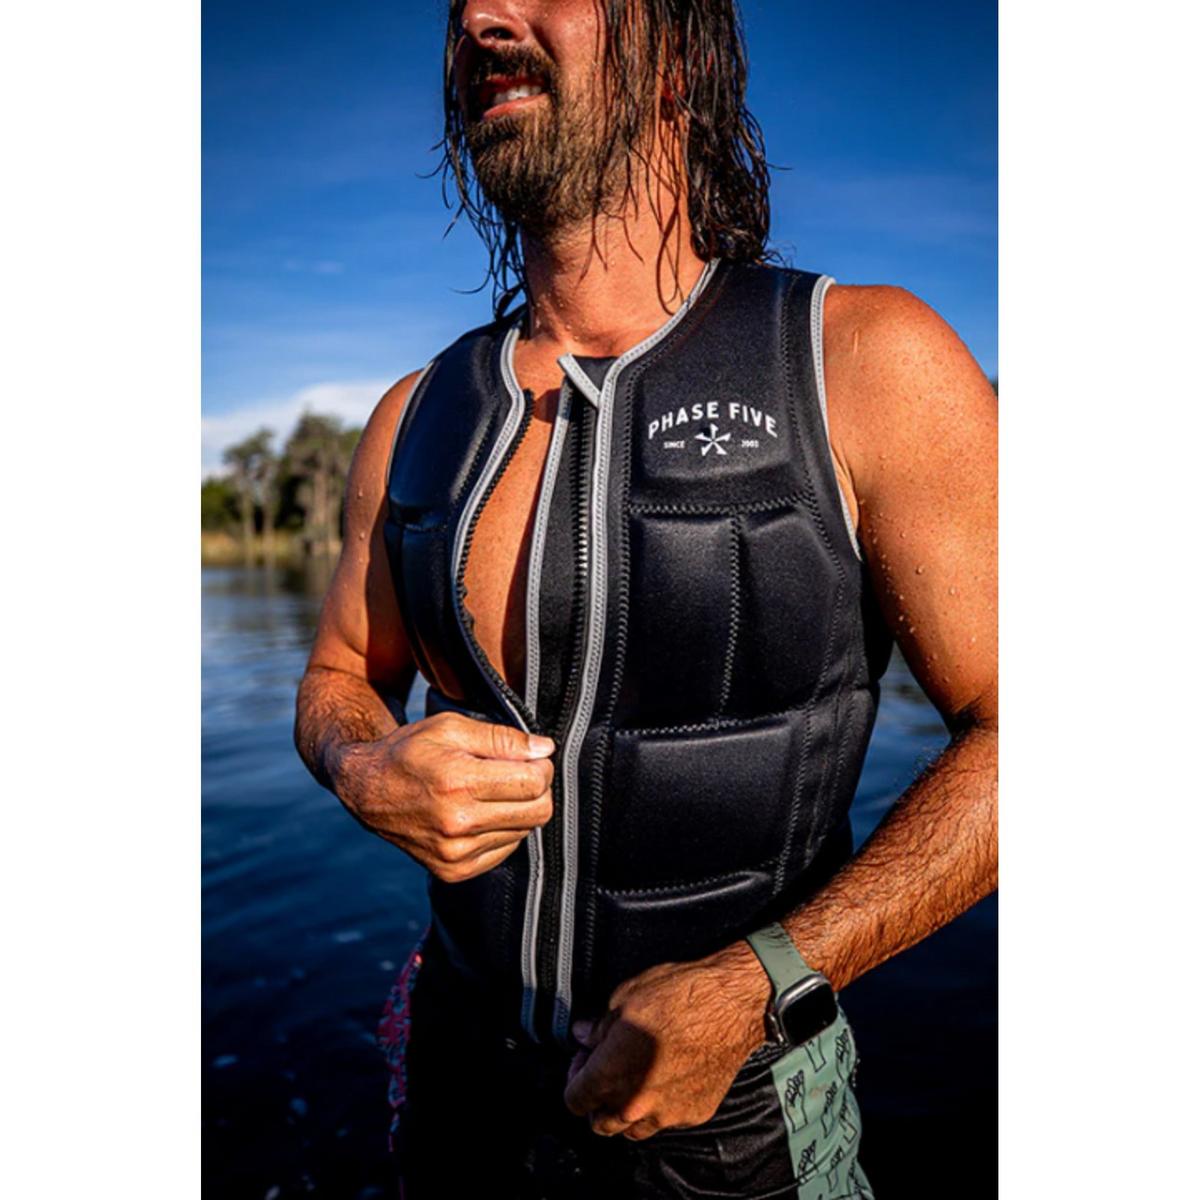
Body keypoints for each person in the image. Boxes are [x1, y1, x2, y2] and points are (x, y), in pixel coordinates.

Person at [294, 1, 997, 1196]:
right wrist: (361, 763)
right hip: (462, 1098)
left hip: (744, 1126)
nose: (479, 17)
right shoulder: (414, 419)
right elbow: (337, 676)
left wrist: (763, 980)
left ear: (675, 57)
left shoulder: (864, 361)